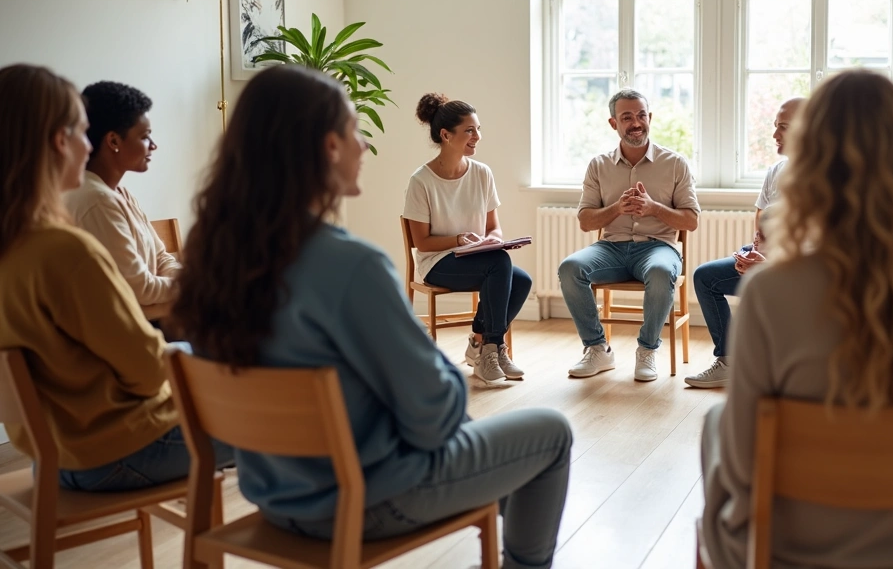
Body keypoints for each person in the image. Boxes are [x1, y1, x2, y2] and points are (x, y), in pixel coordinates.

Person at [170, 65, 571, 568]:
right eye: (355, 129)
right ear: (327, 147)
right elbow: (437, 415)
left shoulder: (215, 260)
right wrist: (437, 374)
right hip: (368, 501)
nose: (364, 146)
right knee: (551, 434)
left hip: (278, 499)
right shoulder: (350, 265)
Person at [701, 70, 893, 569]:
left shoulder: (771, 293)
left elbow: (742, 465)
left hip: (800, 547)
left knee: (716, 424)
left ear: (812, 161)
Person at [0, 63, 232, 491]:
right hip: (118, 451)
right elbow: (147, 371)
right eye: (80, 131)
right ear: (59, 141)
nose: (86, 146)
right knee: (275, 414)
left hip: (55, 452)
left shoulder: (18, 246)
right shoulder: (68, 250)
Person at [559, 88, 700, 382]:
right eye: (627, 117)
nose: (636, 123)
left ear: (650, 118)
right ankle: (597, 349)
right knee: (570, 268)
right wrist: (617, 208)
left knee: (662, 272)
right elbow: (586, 221)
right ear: (614, 124)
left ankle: (647, 350)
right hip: (611, 249)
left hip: (658, 247)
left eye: (641, 115)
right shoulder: (599, 165)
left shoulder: (675, 163)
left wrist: (653, 208)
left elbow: (690, 220)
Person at [404, 93, 531, 383]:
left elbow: (493, 228)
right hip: (438, 262)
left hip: (478, 258)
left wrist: (492, 241)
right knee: (499, 265)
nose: (477, 136)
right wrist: (459, 240)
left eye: (478, 129)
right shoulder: (421, 181)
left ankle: (480, 343)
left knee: (521, 279)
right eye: (470, 131)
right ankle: (492, 348)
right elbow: (422, 243)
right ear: (446, 135)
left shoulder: (482, 173)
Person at [684, 97, 804, 389]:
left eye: (784, 128)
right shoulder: (776, 172)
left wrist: (769, 264)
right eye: (775, 126)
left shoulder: (827, 179)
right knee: (705, 277)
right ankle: (727, 361)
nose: (775, 134)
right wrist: (753, 252)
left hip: (797, 271)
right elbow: (761, 217)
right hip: (767, 259)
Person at [64, 81, 180, 310]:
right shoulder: (97, 202)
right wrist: (190, 286)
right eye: (145, 136)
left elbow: (162, 257)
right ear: (114, 141)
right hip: (133, 331)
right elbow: (140, 291)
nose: (153, 145)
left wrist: (180, 281)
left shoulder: (120, 193)